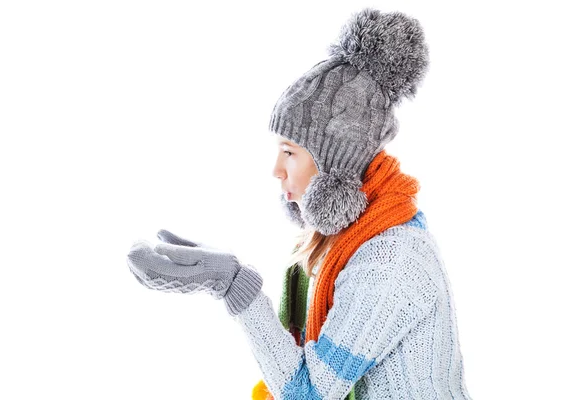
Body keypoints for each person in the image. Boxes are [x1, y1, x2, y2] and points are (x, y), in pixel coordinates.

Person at [127, 7, 472, 399]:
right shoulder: (342, 243)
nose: (276, 169)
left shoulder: (390, 259)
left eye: (290, 152)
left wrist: (233, 285)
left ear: (335, 162)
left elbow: (307, 395)